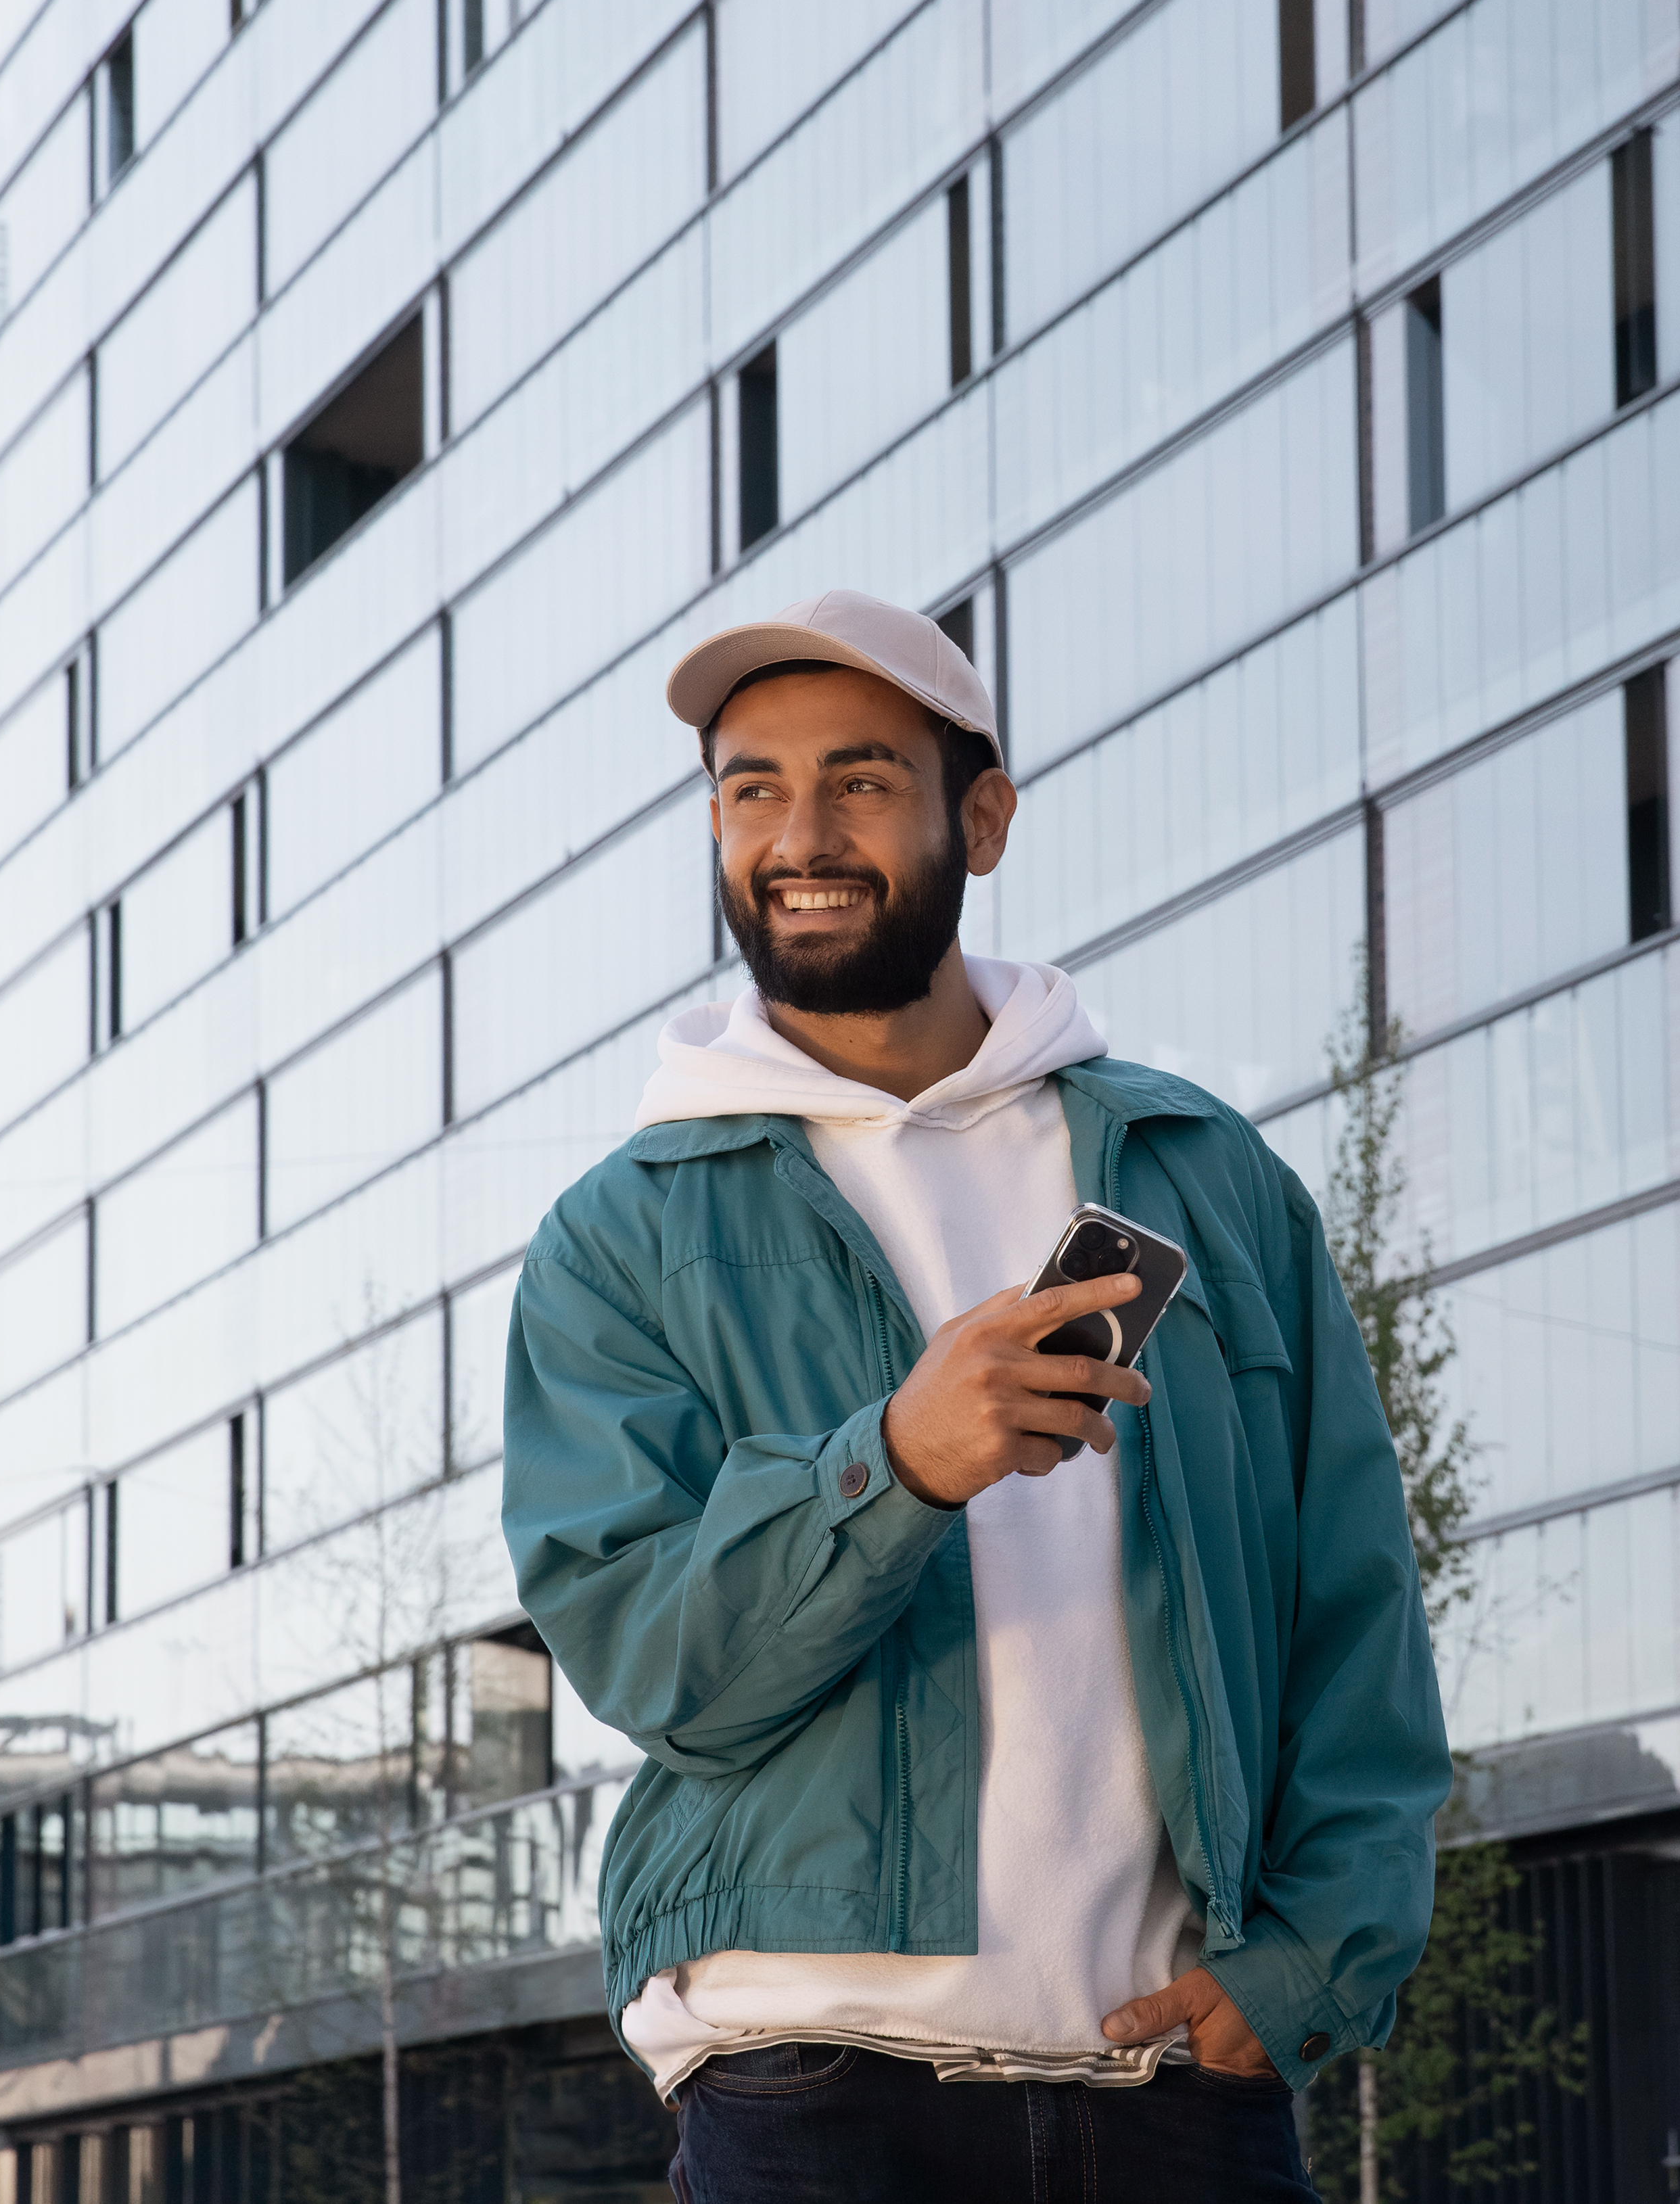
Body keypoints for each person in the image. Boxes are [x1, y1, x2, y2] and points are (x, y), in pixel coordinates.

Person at [501, 590, 1448, 2201]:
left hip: (1175, 2085)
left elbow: (1350, 1604)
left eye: (861, 779)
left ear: (981, 816)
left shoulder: (1202, 1176)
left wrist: (1310, 1966)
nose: (800, 832)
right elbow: (656, 1659)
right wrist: (891, 1466)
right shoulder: (625, 1230)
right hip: (811, 2093)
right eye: (751, 786)